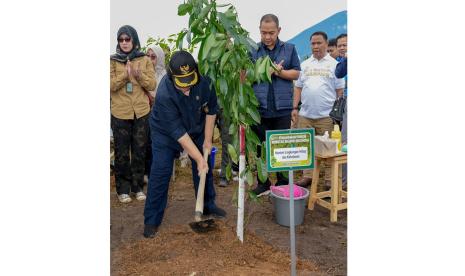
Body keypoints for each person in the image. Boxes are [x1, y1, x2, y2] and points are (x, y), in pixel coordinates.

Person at [143, 50, 226, 238]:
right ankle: (151, 219)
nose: (187, 88)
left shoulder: (205, 82)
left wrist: (207, 141)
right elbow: (178, 133)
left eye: (190, 81)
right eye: (182, 84)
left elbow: (211, 110)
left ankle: (207, 205)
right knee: (161, 171)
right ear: (172, 77)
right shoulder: (164, 94)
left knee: (205, 168)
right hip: (166, 133)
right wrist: (198, 158)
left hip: (195, 127)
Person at [250, 14, 301, 196]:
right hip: (259, 109)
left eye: (271, 32)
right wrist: (264, 73)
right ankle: (263, 183)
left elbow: (296, 73)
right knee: (260, 148)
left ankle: (283, 183)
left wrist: (279, 72)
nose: (267, 37)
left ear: (279, 30)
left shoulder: (289, 49)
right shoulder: (253, 51)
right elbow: (246, 78)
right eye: (264, 33)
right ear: (260, 31)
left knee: (281, 147)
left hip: (282, 109)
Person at [292, 31, 345, 188]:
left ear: (326, 43)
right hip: (306, 115)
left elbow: (339, 91)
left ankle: (329, 180)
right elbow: (298, 88)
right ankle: (307, 176)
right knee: (306, 147)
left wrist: (337, 113)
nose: (315, 46)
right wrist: (295, 107)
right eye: (313, 43)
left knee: (329, 148)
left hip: (327, 115)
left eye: (319, 43)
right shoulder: (305, 65)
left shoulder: (334, 65)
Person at [110, 25, 156, 203]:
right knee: (121, 152)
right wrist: (124, 76)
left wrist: (138, 76)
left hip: (141, 113)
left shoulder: (144, 59)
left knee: (139, 151)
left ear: (134, 40)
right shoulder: (112, 61)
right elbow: (110, 85)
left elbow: (151, 84)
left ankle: (137, 188)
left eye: (127, 39)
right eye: (121, 40)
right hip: (120, 113)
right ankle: (123, 189)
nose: (124, 43)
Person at [144, 45, 167, 184]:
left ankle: (154, 173)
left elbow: (159, 97)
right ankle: (145, 173)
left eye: (153, 57)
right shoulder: (143, 72)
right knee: (143, 143)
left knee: (154, 144)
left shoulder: (164, 76)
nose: (150, 59)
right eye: (147, 56)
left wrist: (147, 93)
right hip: (143, 113)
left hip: (158, 115)